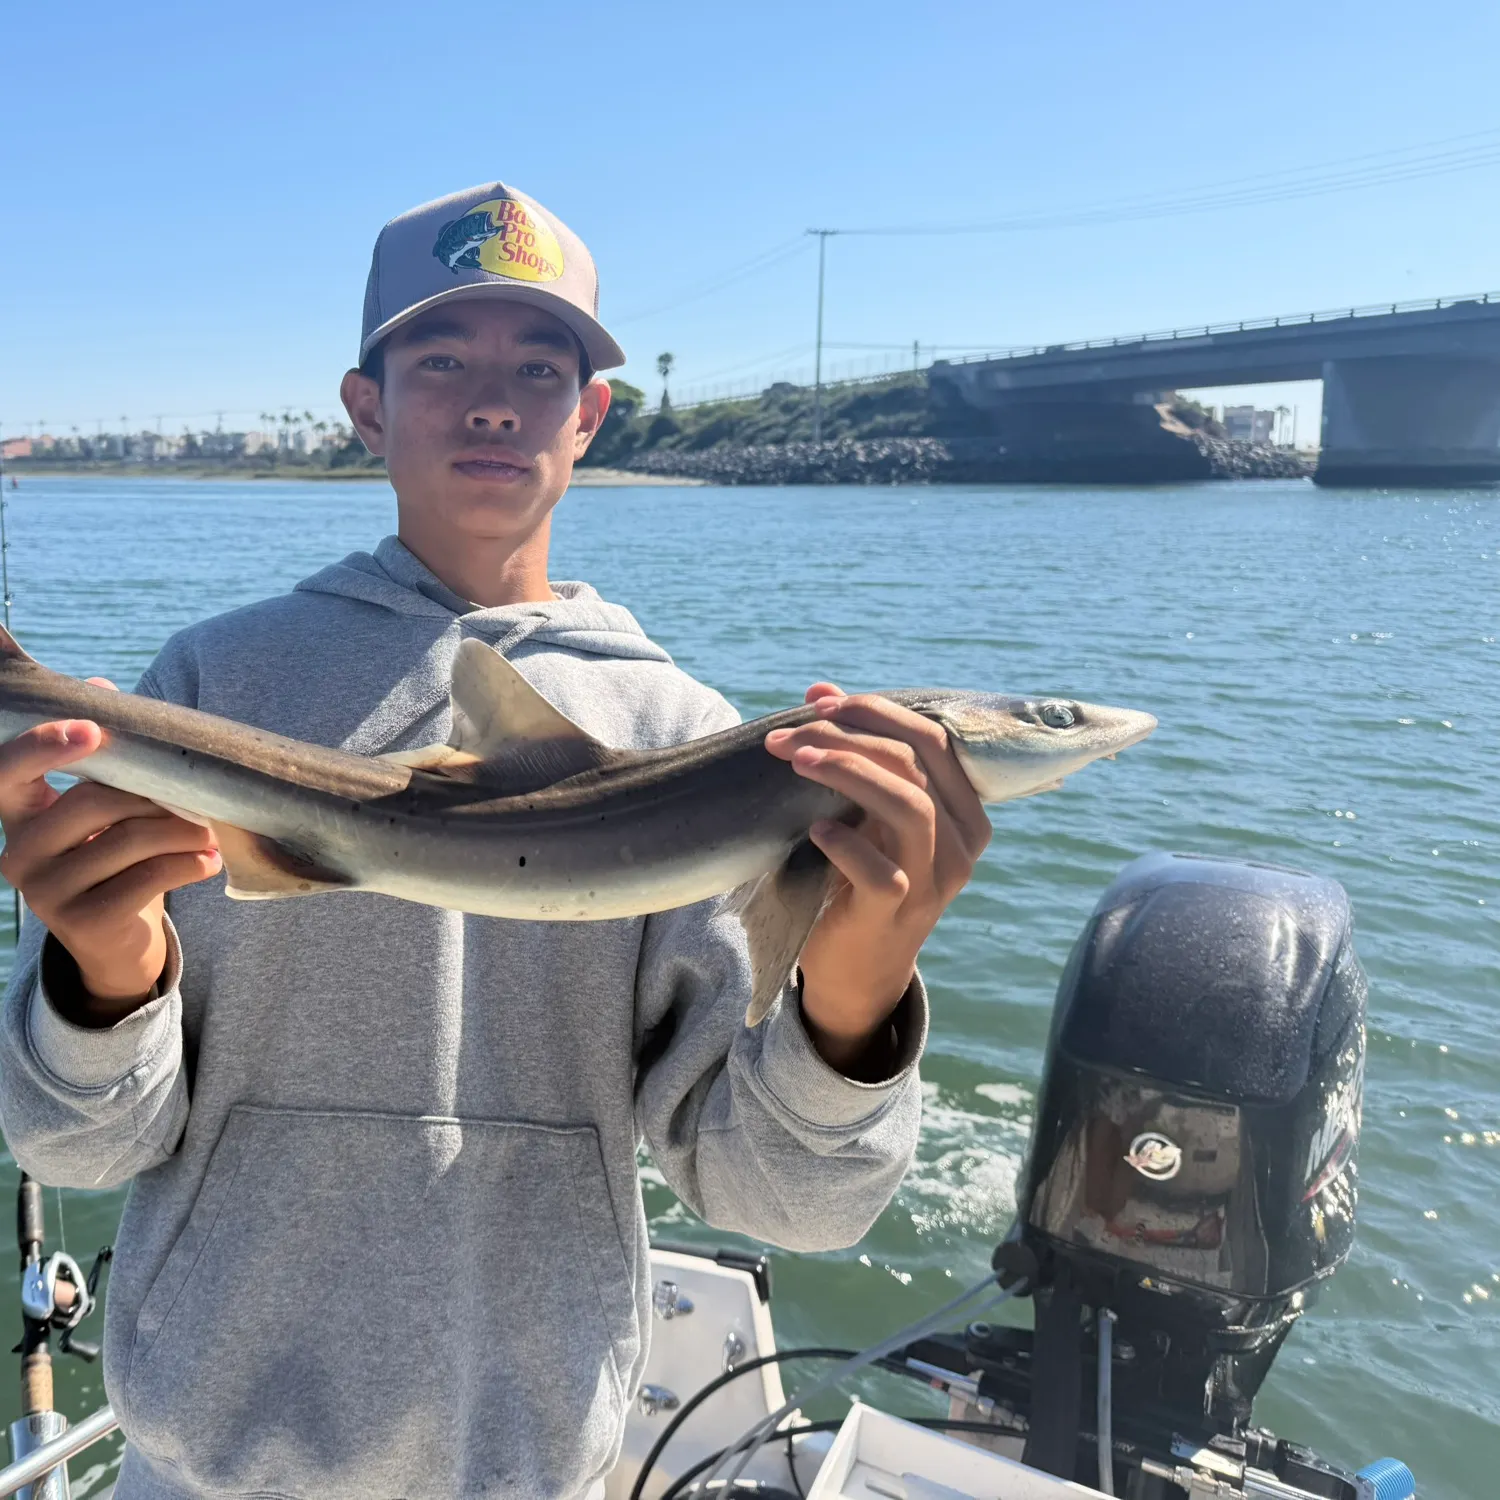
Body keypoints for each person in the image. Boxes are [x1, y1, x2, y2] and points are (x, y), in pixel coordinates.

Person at [0, 182, 990, 1499]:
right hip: (207, 1461)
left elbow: (789, 1206)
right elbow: (76, 1149)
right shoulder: (210, 684)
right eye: (442, 360)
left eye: (539, 365)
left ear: (590, 417)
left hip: (525, 1465)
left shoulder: (683, 737)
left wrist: (856, 1001)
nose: (492, 398)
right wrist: (101, 977)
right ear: (366, 408)